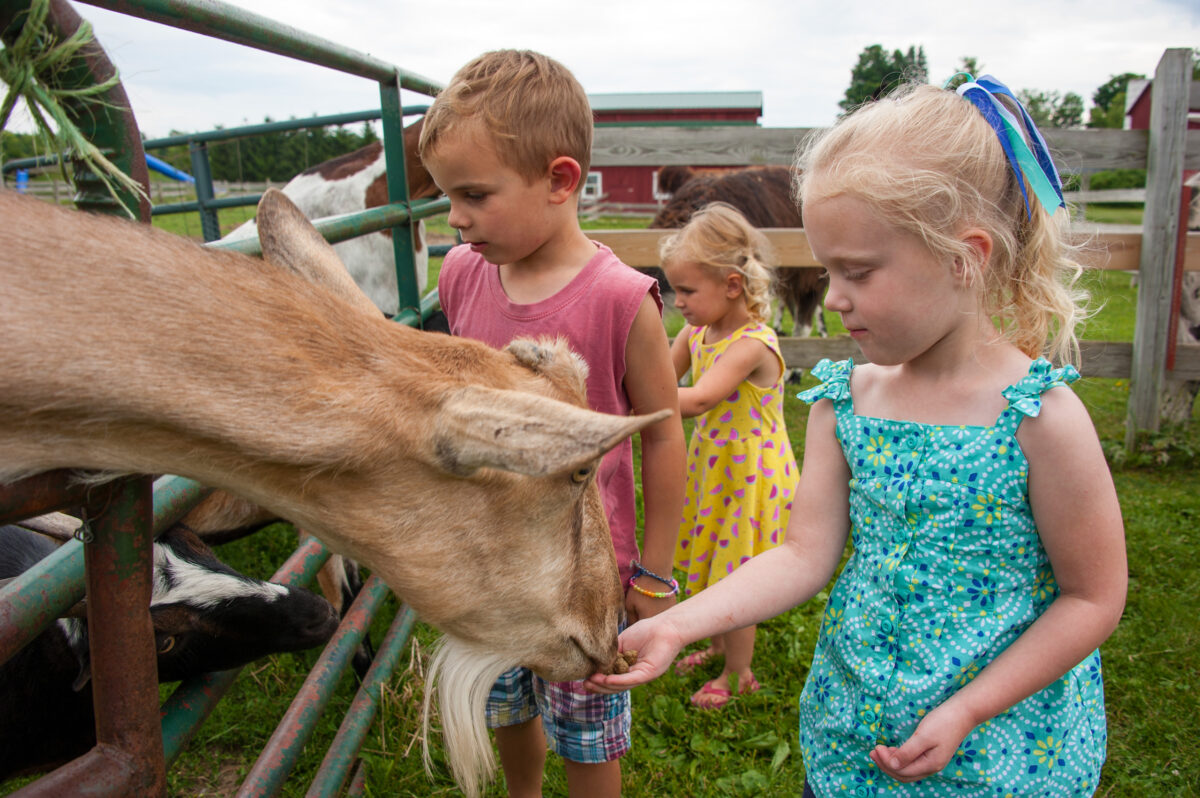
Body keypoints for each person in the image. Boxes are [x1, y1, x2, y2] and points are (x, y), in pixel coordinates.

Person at [589, 74, 1127, 797]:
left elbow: (1091, 597)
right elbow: (802, 554)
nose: (832, 298)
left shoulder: (1039, 419)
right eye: (827, 271)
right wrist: (681, 624)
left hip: (1004, 750)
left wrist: (971, 708)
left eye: (858, 273)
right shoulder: (847, 403)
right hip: (857, 731)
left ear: (965, 257)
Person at [419, 50, 686, 798]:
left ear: (560, 181)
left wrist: (654, 573)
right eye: (448, 196)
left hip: (582, 575)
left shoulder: (622, 300)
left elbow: (663, 435)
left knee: (587, 727)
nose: (456, 218)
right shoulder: (462, 274)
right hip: (489, 565)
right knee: (506, 706)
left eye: (474, 194)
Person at [657, 202, 798, 709]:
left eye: (689, 291)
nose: (679, 303)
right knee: (715, 554)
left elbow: (696, 399)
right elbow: (660, 379)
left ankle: (738, 672)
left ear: (732, 285)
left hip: (750, 473)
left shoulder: (754, 343)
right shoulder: (693, 333)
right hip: (715, 467)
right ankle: (717, 644)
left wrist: (629, 402)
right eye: (675, 290)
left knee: (739, 572)